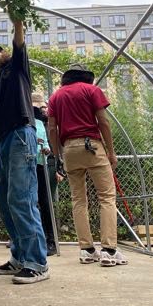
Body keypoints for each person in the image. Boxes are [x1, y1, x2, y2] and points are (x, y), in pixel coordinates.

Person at [0, 17, 49, 284]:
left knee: (22, 198)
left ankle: (37, 262)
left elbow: (19, 45)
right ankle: (19, 257)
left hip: (21, 134)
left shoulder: (16, 71)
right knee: (6, 202)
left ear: (3, 55)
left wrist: (17, 23)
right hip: (3, 142)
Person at [46, 63, 126, 267]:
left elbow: (52, 128)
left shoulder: (56, 96)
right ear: (85, 77)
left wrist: (57, 155)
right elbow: (103, 121)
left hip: (69, 149)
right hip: (93, 146)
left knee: (78, 199)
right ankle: (109, 250)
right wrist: (111, 151)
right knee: (107, 197)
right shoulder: (92, 90)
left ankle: (87, 249)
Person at [32, 91, 58, 256]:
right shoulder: (27, 120)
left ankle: (51, 239)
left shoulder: (47, 122)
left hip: (45, 165)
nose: (41, 109)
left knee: (45, 202)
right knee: (28, 201)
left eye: (42, 106)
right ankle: (29, 237)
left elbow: (55, 145)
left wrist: (58, 167)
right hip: (28, 165)